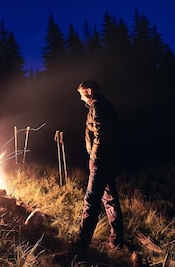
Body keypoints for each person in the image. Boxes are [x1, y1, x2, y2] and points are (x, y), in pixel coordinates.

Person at [54, 80, 125, 264]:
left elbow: (103, 134)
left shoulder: (99, 107)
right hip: (107, 160)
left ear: (89, 91)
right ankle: (116, 240)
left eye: (81, 93)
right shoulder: (98, 106)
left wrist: (95, 157)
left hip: (102, 161)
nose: (80, 97)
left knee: (91, 202)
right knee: (110, 199)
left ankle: (79, 249)